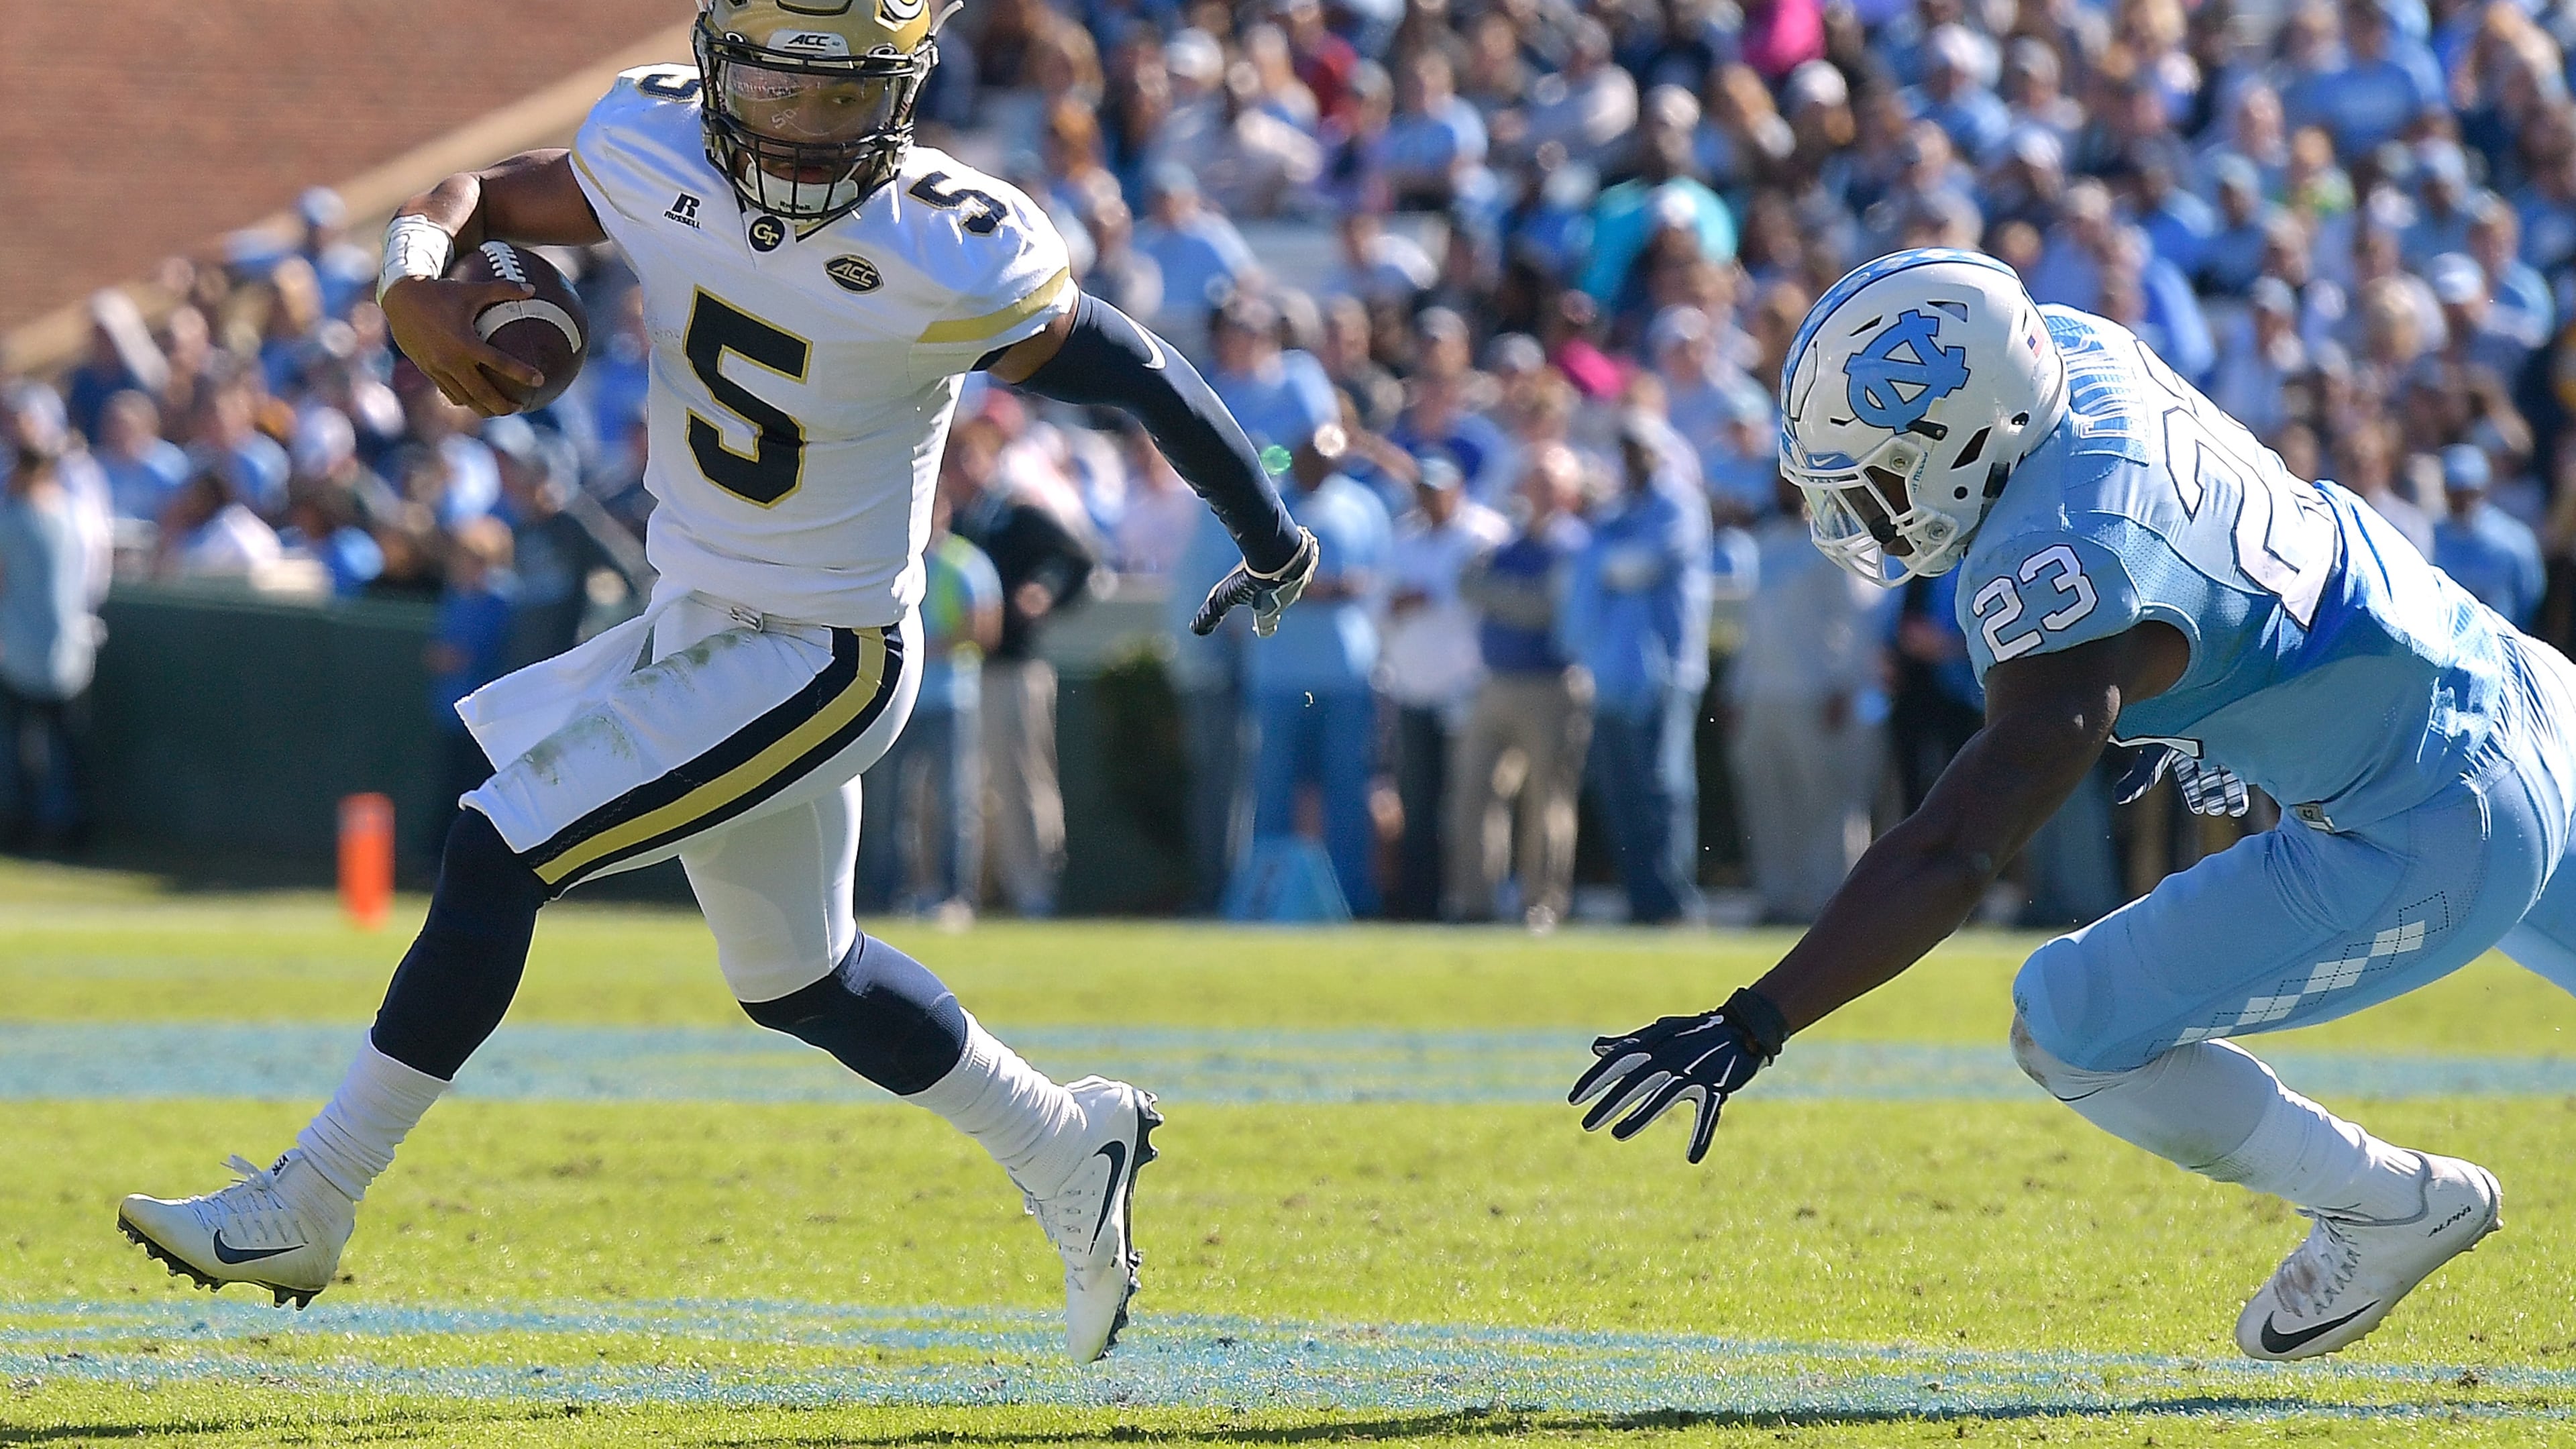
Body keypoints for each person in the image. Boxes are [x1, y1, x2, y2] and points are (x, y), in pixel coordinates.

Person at [117, 0, 1319, 1368]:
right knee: (804, 980)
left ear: (908, 89)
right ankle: (1067, 1142)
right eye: (776, 87)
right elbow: (466, 193)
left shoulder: (949, 240)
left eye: (842, 93)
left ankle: (309, 1198)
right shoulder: (650, 141)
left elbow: (1145, 374)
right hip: (699, 618)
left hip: (824, 654)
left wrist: (1274, 534)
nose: (805, 128)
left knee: (502, 842)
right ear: (714, 66)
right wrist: (410, 275)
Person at [1574, 248, 2572, 1367]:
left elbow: (1957, 848)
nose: (1868, 510)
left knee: (2072, 1026)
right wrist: (2210, 697)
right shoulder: (2069, 350)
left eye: (1882, 477)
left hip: (2433, 818)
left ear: (1963, 443)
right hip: (2514, 680)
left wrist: (1759, 1018)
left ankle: (2390, 1202)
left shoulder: (2057, 559)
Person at [946, 411, 1095, 918]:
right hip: (962, 670)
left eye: (969, 456)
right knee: (968, 786)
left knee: (1020, 778)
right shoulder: (953, 523)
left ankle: (1034, 891)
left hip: (1014, 666)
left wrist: (1044, 594)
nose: (960, 469)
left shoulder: (1015, 513)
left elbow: (1078, 557)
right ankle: (978, 890)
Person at [1562, 415, 1711, 925]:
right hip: (1611, 672)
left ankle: (1672, 900)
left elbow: (1639, 565)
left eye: (1639, 449)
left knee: (1662, 787)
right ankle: (1640, 898)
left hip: (1665, 669)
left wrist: (1602, 562)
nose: (1630, 459)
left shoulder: (1678, 504)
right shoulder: (1619, 510)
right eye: (1625, 450)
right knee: (1620, 788)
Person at [1244, 420, 1390, 916]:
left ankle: (1348, 903)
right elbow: (1249, 583)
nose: (1319, 465)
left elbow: (1376, 583)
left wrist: (1305, 589)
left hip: (1346, 675)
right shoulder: (1265, 505)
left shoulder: (1363, 507)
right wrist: (1319, 589)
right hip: (1279, 675)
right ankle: (1265, 902)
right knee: (1273, 797)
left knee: (1348, 796)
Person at [1450, 442, 1593, 926]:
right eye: (1534, 481)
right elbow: (1467, 583)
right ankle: (1475, 901)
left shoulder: (1576, 544)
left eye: (1550, 482)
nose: (1539, 491)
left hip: (1551, 684)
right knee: (1475, 791)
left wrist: (1500, 597)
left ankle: (1543, 902)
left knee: (1547, 798)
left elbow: (1545, 610)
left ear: (1570, 491)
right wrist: (1511, 597)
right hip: (1497, 682)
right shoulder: (1508, 544)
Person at [1377, 456, 1509, 919]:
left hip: (1469, 688)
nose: (1430, 500)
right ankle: (1421, 901)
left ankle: (1474, 897)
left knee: (1472, 800)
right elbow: (1381, 600)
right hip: (1414, 686)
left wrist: (1427, 598)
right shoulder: (1404, 537)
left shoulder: (1484, 533)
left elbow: (1482, 600)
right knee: (1418, 799)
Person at [0, 434, 101, 852]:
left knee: (22, 746)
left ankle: (38, 824)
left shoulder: (18, 521)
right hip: (67, 650)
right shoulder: (76, 516)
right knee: (60, 746)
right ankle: (59, 825)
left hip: (30, 652)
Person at [2431, 444, 2544, 629]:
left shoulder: (2515, 540)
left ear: (2485, 488)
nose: (2463, 501)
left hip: (2502, 641)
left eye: (2471, 493)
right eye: (2456, 493)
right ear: (2445, 491)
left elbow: (2530, 595)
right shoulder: (2432, 536)